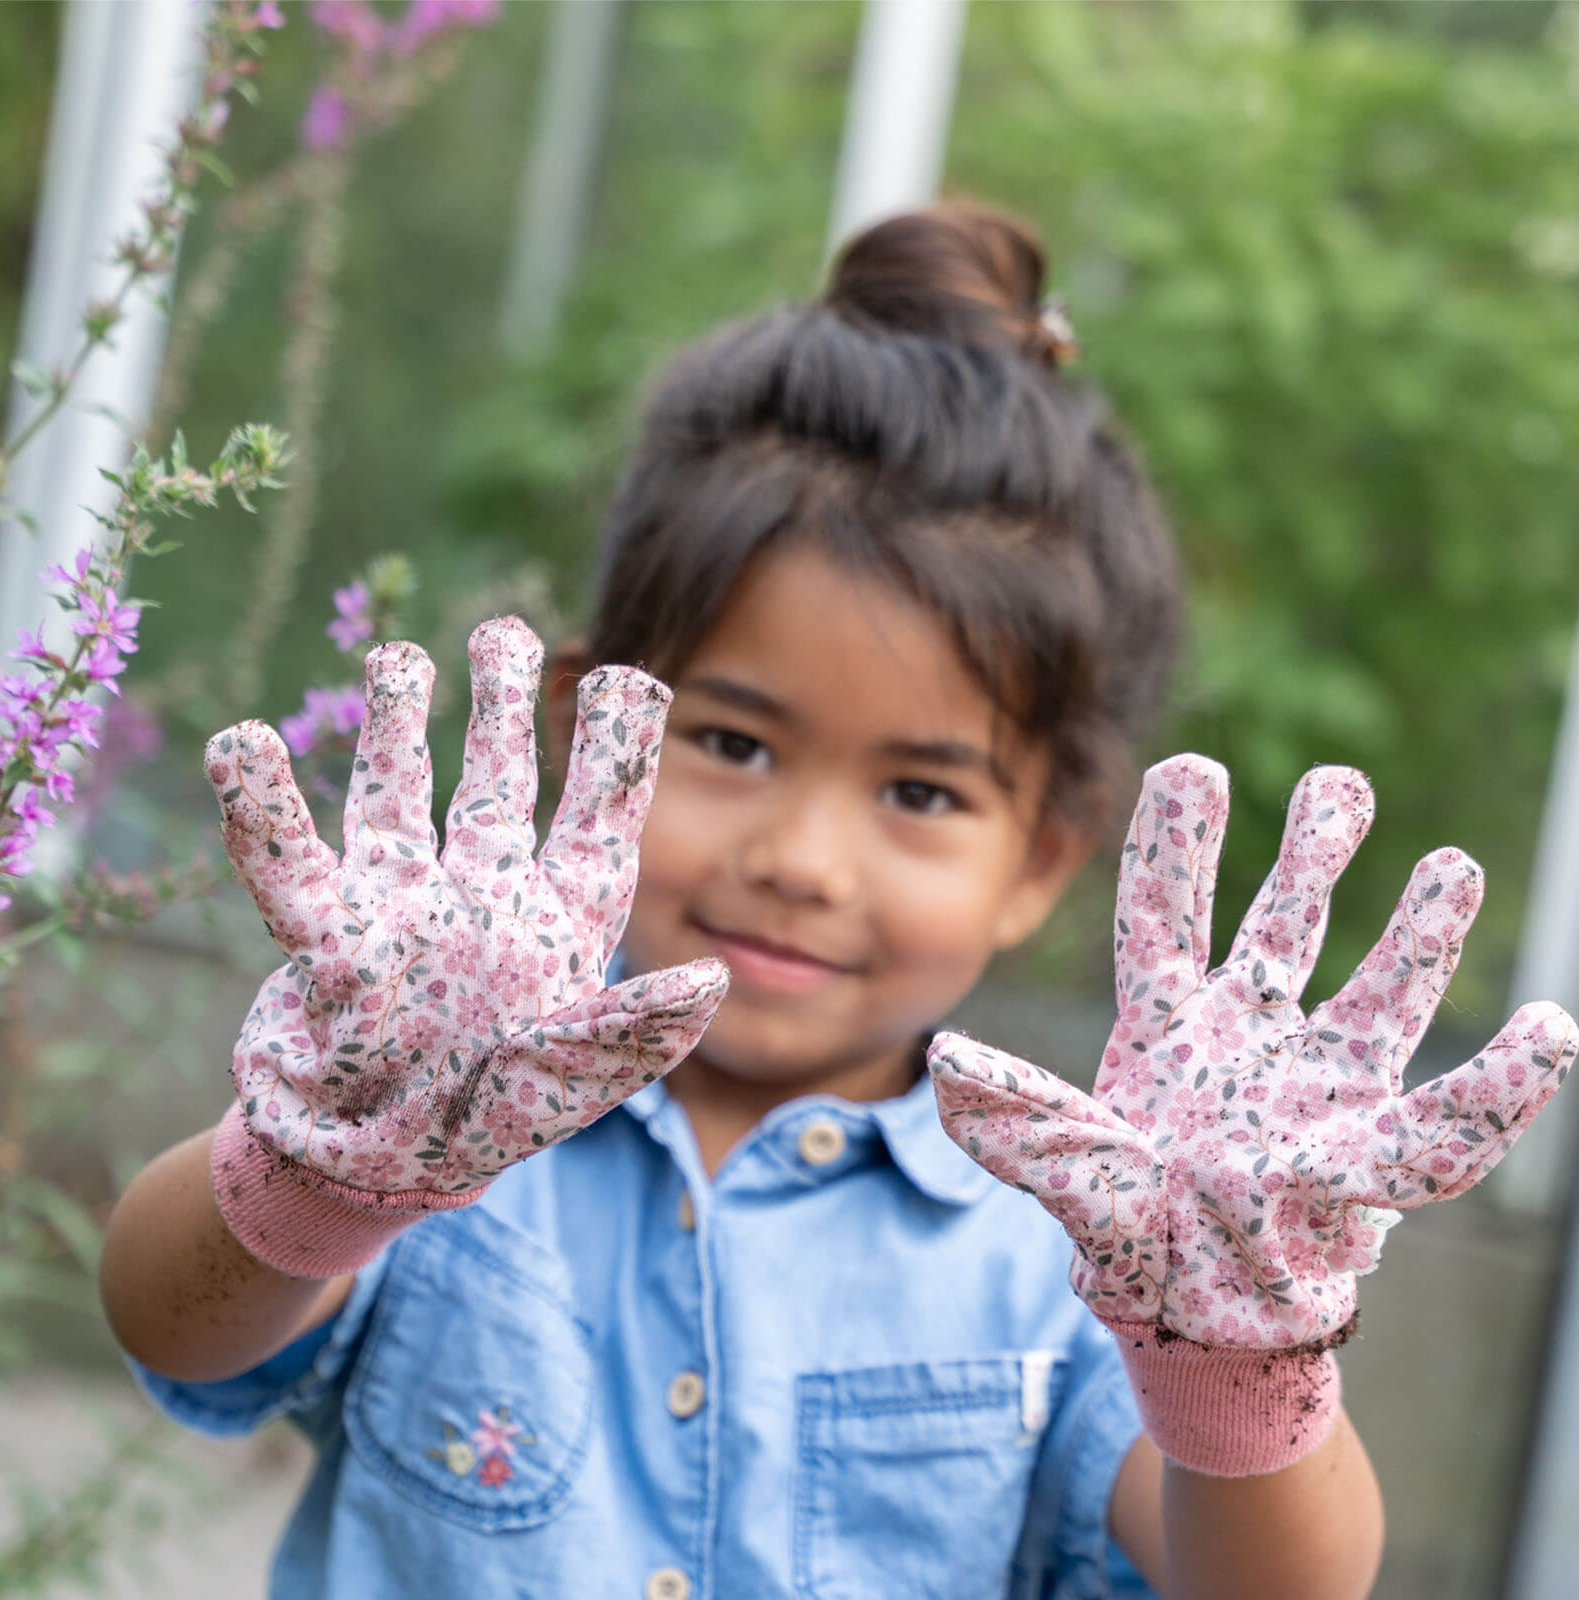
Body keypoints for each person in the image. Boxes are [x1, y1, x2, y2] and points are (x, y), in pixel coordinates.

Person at [99, 202, 1571, 1599]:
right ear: (586, 733)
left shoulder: (1089, 1243)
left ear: (1046, 858)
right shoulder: (443, 1106)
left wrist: (1240, 1354)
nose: (805, 859)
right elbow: (168, 1318)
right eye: (733, 745)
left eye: (920, 793)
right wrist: (322, 1169)